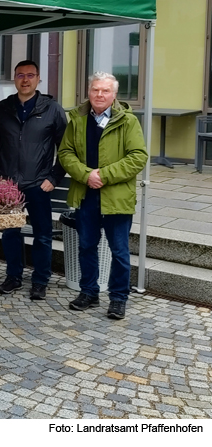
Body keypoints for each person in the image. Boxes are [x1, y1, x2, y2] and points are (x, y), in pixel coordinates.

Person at [58, 71, 148, 320]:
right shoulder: (78, 119)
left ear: (114, 94)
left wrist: (104, 175)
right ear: (89, 91)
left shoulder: (127, 121)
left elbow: (138, 157)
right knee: (86, 246)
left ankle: (118, 298)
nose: (99, 94)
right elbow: (65, 153)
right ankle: (89, 292)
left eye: (105, 90)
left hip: (117, 197)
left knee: (119, 251)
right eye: (95, 89)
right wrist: (86, 175)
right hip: (86, 195)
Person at [0, 60, 67, 300]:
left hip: (39, 184)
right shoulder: (3, 108)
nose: (25, 79)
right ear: (14, 78)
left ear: (38, 79)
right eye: (20, 75)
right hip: (9, 185)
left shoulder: (52, 109)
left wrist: (54, 176)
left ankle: (40, 280)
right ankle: (13, 276)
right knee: (10, 233)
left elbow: (67, 148)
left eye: (30, 75)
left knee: (42, 234)